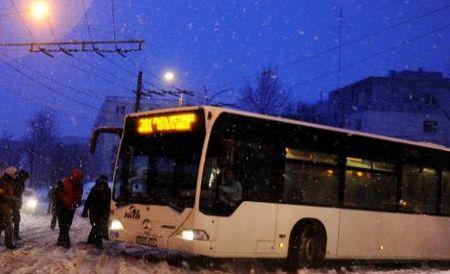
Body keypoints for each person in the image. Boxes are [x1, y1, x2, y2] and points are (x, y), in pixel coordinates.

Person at [81, 175, 111, 249]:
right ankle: (98, 242)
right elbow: (89, 200)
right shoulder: (95, 189)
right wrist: (85, 211)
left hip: (103, 212)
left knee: (98, 226)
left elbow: (109, 201)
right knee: (97, 226)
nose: (103, 182)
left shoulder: (108, 190)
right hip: (94, 211)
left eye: (105, 181)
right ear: (100, 180)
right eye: (102, 180)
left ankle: (91, 240)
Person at [55, 169, 83, 248]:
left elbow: (79, 196)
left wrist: (77, 203)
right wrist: (64, 200)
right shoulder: (63, 182)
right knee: (63, 225)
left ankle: (61, 239)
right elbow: (57, 194)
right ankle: (65, 241)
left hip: (71, 208)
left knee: (67, 225)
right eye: (76, 180)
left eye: (78, 180)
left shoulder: (79, 185)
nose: (76, 182)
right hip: (62, 207)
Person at [0, 167, 18, 249]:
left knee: (3, 225)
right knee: (9, 226)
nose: (15, 176)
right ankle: (9, 244)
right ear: (10, 173)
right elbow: (1, 195)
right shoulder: (2, 181)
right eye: (14, 174)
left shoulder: (9, 181)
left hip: (6, 207)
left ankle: (9, 243)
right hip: (3, 207)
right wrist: (11, 198)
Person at [12, 170, 29, 240]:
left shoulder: (18, 181)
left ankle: (15, 234)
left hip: (14, 203)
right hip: (13, 203)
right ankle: (15, 235)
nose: (26, 180)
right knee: (16, 219)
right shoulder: (17, 181)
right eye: (26, 178)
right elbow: (17, 192)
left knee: (14, 219)